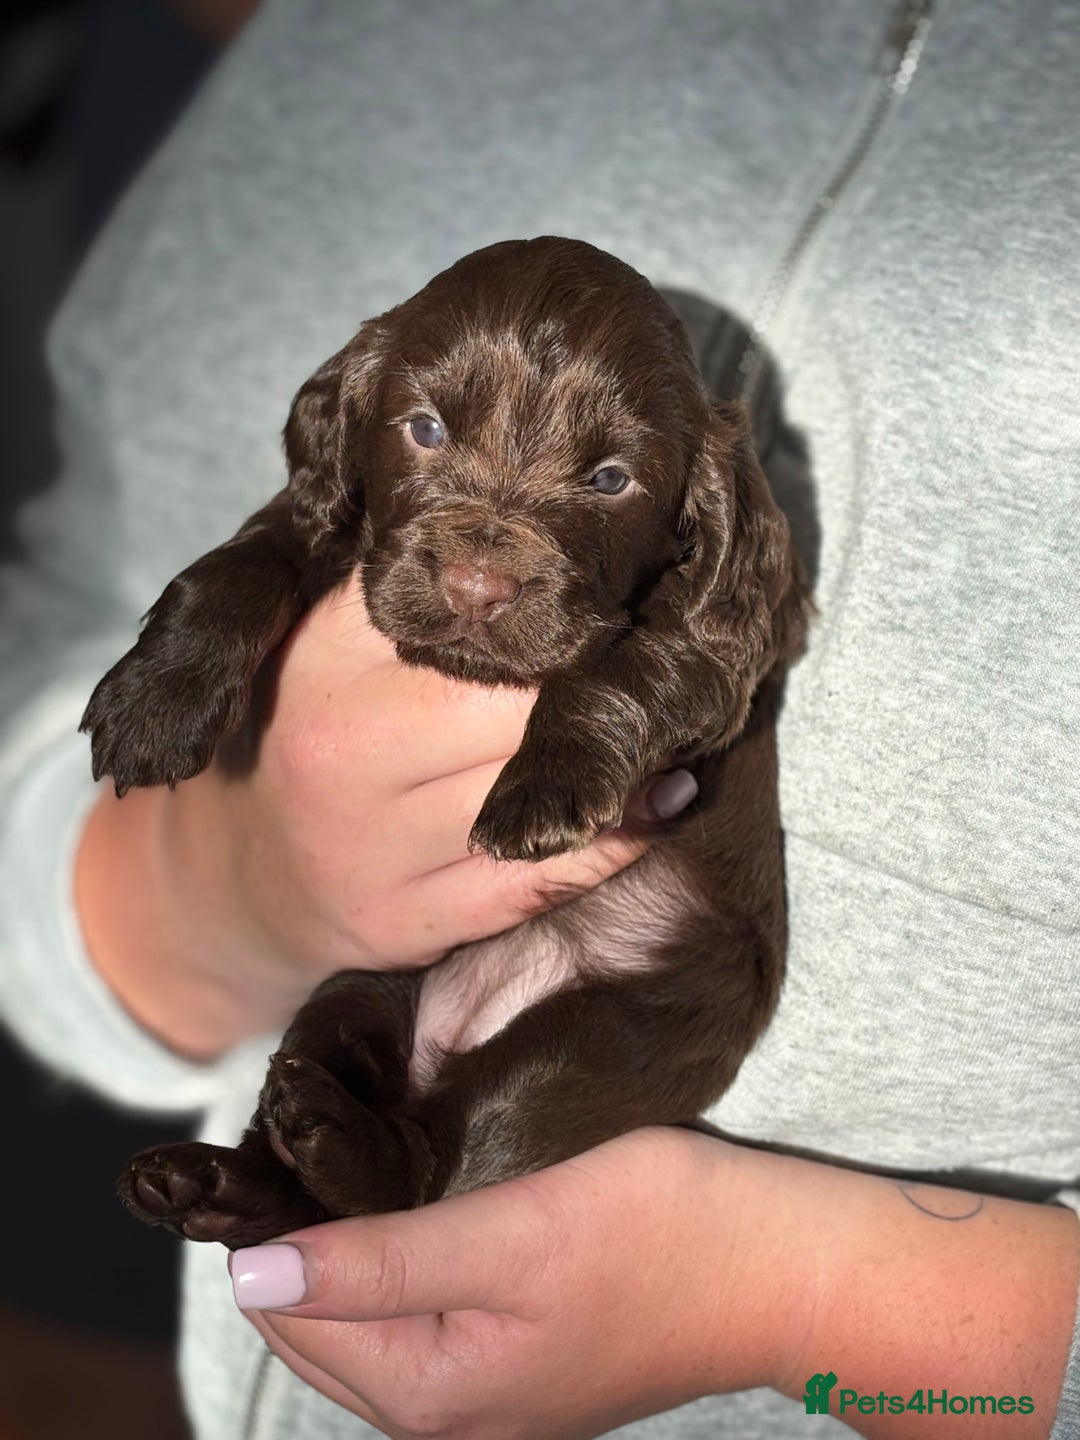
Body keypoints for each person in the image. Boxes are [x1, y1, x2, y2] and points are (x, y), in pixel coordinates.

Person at [1, 1, 1078, 1436]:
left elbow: (719, 642)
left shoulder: (725, 534)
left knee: (568, 1058)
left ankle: (384, 1167)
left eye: (609, 480)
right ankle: (317, 1178)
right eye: (433, 433)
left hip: (663, 976)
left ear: (687, 502)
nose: (483, 556)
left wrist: (818, 1302)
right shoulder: (361, 39)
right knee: (343, 1040)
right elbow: (124, 578)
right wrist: (201, 884)